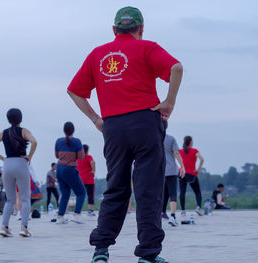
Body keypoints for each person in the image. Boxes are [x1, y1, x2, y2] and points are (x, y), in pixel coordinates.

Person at [67, 6, 183, 263]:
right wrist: (169, 102)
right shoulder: (148, 47)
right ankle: (148, 254)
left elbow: (74, 90)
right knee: (148, 189)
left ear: (114, 29)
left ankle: (101, 249)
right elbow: (176, 68)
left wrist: (96, 118)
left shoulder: (97, 54)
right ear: (141, 29)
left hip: (113, 127)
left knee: (116, 187)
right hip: (145, 122)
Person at [0, 108, 37, 237]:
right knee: (25, 198)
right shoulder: (24, 131)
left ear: (8, 119)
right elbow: (34, 142)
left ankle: (4, 227)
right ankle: (23, 228)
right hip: (21, 163)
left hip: (7, 164)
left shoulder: (3, 133)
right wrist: (29, 156)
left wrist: (2, 158)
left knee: (9, 200)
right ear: (20, 118)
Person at [55, 122, 86, 224]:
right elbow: (81, 156)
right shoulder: (77, 142)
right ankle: (76, 215)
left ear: (64, 130)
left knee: (65, 193)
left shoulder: (58, 141)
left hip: (59, 169)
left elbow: (56, 155)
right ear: (73, 130)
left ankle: (60, 217)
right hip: (70, 169)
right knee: (81, 192)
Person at [161, 120, 185, 227]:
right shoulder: (170, 138)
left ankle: (161, 213)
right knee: (172, 193)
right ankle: (173, 216)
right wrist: (182, 167)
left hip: (158, 171)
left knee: (163, 193)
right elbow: (176, 152)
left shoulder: (153, 139)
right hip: (171, 170)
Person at [179, 136, 205, 217]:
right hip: (191, 174)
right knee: (197, 192)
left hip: (181, 173)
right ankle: (198, 207)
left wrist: (179, 168)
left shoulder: (180, 151)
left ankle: (183, 211)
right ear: (190, 142)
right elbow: (202, 159)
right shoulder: (194, 151)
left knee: (182, 192)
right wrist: (198, 169)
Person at [77, 144, 96, 216]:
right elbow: (93, 162)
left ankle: (78, 210)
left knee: (80, 194)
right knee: (90, 194)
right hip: (89, 179)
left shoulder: (78, 158)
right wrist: (93, 171)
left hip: (80, 179)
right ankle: (90, 211)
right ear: (87, 150)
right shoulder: (88, 157)